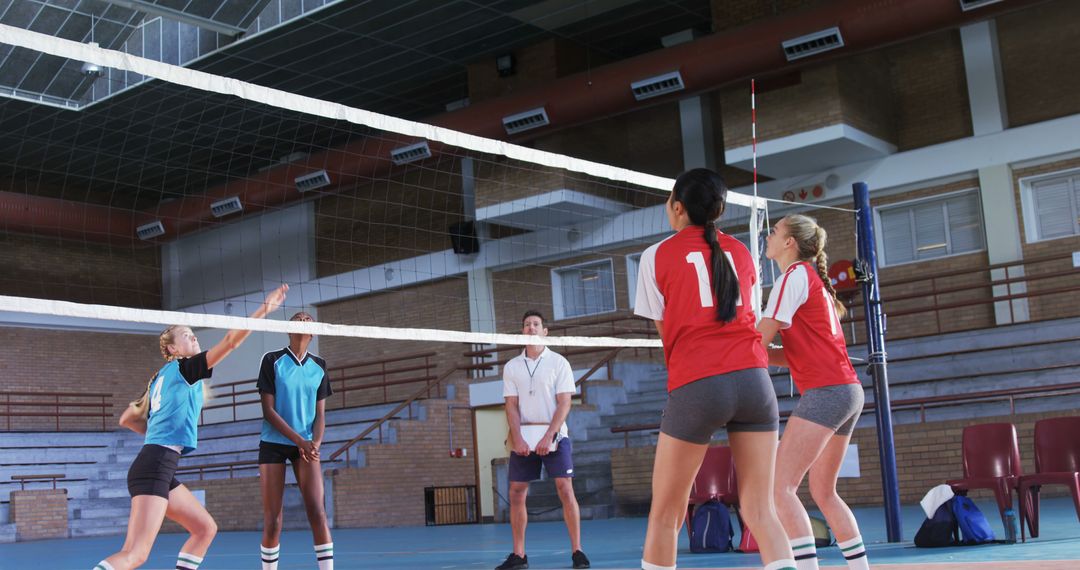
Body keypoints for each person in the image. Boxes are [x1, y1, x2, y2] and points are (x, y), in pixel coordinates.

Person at [634, 168, 796, 570]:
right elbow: (752, 322)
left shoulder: (656, 255)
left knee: (666, 515)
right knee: (761, 511)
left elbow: (667, 337)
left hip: (699, 382)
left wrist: (685, 400)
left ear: (677, 207)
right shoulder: (741, 252)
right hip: (756, 383)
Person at [94, 284, 288, 570]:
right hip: (156, 465)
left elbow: (127, 418)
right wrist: (264, 310)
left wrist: (160, 434)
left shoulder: (159, 377)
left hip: (157, 463)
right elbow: (232, 342)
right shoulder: (184, 368)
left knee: (205, 528)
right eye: (186, 335)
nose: (193, 336)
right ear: (173, 349)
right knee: (135, 554)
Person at [758, 214, 868, 570]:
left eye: (774, 232)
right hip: (847, 391)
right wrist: (756, 354)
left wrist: (720, 348)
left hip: (827, 391)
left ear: (790, 243)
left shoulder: (793, 277)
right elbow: (790, 354)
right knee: (823, 492)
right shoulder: (811, 281)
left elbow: (760, 338)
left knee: (780, 489)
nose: (768, 236)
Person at [495, 310, 590, 570]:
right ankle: (519, 555)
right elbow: (511, 405)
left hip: (555, 436)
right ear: (522, 332)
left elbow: (565, 403)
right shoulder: (512, 366)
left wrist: (550, 435)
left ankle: (577, 552)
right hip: (524, 436)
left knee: (565, 488)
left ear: (545, 331)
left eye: (536, 324)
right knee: (516, 492)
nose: (531, 328)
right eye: (526, 324)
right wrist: (517, 437)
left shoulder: (559, 362)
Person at [257, 311, 334, 570]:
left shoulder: (319, 366)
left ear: (314, 331)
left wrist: (315, 444)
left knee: (318, 512)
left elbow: (320, 413)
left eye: (308, 318)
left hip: (306, 445)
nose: (303, 319)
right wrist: (300, 441)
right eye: (297, 318)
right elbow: (268, 412)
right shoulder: (272, 360)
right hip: (274, 444)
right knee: (273, 520)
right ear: (288, 329)